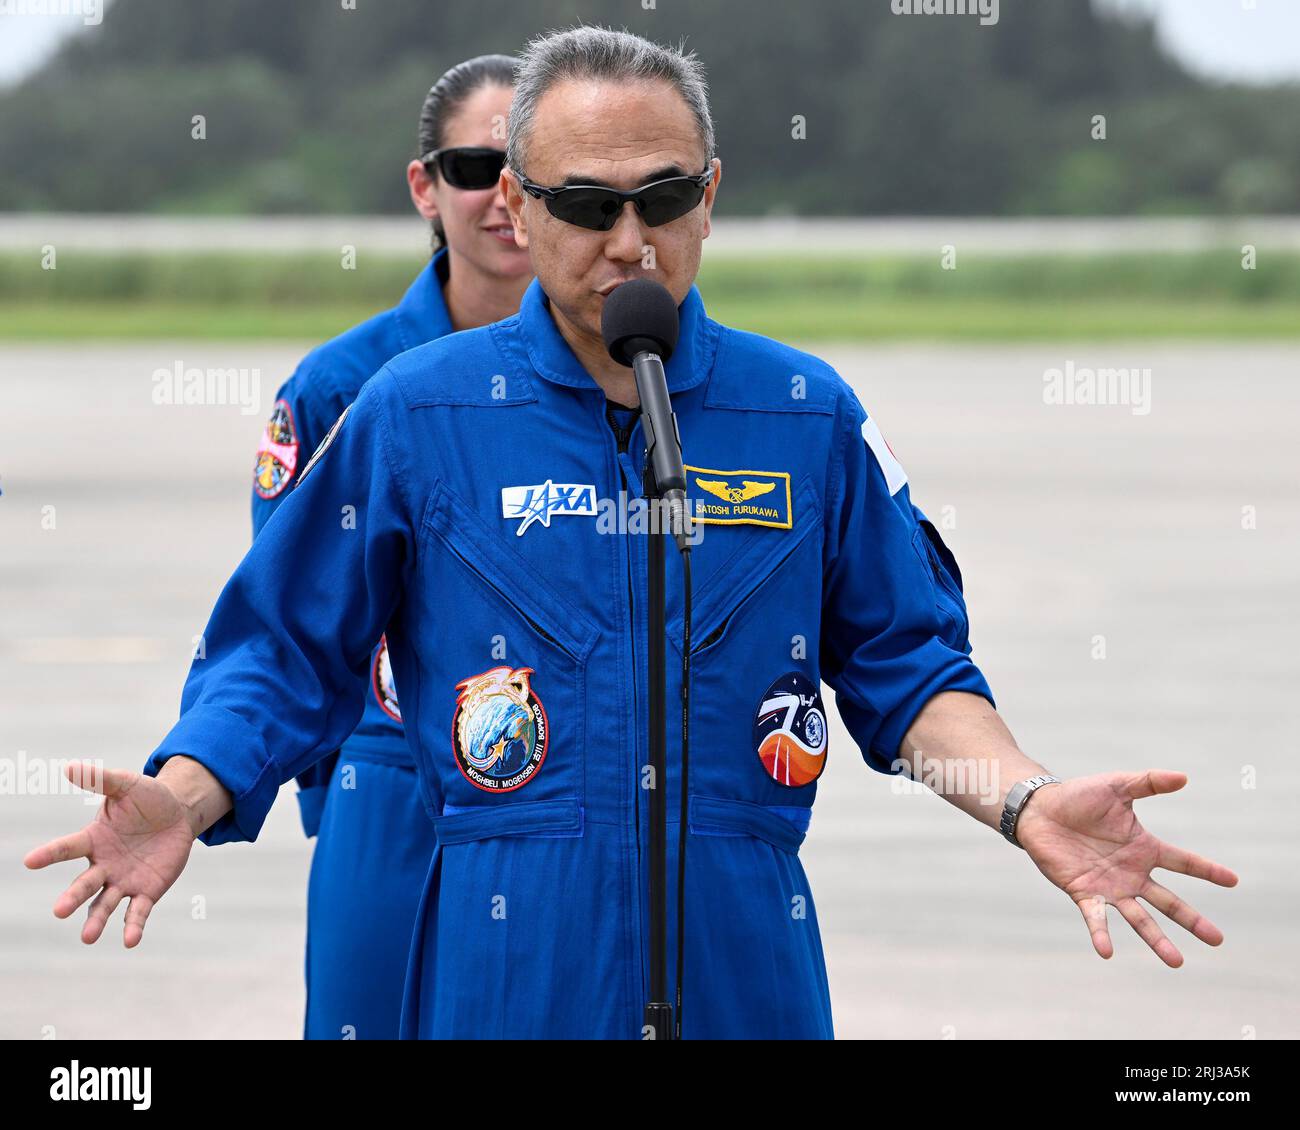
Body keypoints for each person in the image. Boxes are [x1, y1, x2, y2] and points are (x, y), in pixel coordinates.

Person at [27, 27, 1237, 1040]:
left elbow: (909, 666)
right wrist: (186, 793)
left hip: (744, 950)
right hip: (508, 950)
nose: (628, 240)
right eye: (586, 205)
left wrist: (1023, 799)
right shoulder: (413, 412)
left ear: (711, 194)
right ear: (514, 202)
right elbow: (284, 653)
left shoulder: (805, 415)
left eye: (661, 198)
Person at [249, 53, 530, 1039]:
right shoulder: (341, 385)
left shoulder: (634, 377)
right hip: (394, 797)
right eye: (472, 167)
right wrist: (350, 808)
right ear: (424, 185)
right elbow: (288, 631)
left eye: (528, 167)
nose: (502, 195)